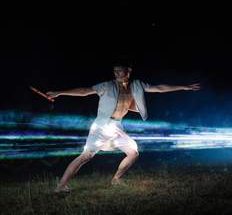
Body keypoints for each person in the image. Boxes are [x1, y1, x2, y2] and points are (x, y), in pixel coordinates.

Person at [46, 63, 200, 193]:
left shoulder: (136, 85)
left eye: (120, 70)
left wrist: (184, 87)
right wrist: (59, 92)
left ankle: (116, 180)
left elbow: (159, 88)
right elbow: (84, 91)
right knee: (85, 156)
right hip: (101, 125)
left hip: (116, 125)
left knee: (133, 152)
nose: (117, 73)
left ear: (129, 70)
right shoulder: (106, 85)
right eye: (115, 71)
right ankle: (61, 185)